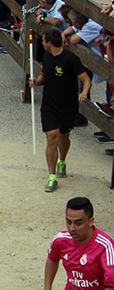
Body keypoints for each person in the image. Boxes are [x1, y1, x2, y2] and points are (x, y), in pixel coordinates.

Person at [31, 28, 91, 192]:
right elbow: (44, 77)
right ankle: (52, 176)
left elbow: (85, 79)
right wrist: (36, 82)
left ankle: (62, 160)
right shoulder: (46, 57)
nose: (42, 43)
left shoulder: (71, 59)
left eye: (43, 41)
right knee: (52, 138)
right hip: (49, 105)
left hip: (68, 105)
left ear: (49, 43)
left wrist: (84, 93)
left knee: (64, 136)